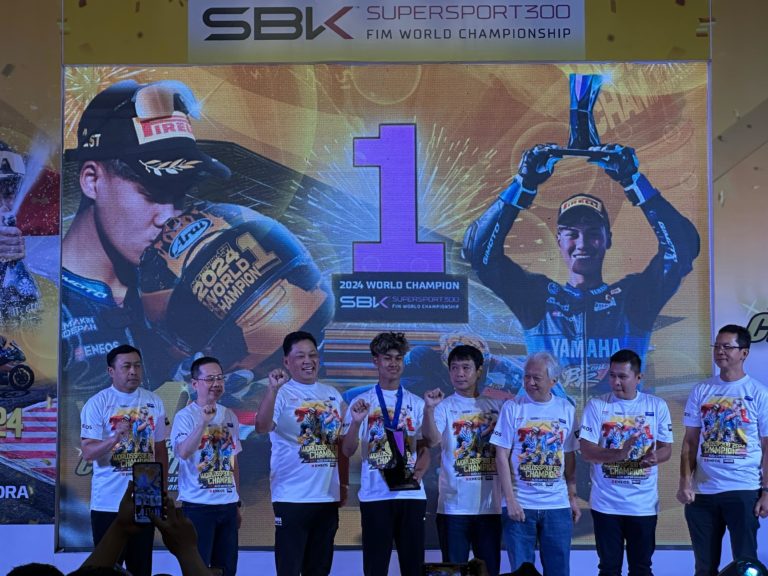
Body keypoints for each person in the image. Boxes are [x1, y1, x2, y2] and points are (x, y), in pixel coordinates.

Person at [462, 143, 700, 400]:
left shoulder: (633, 298)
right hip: (547, 422)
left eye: (593, 233)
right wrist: (523, 184)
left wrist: (634, 181)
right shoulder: (537, 297)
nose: (583, 243)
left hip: (616, 422)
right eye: (572, 234)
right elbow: (479, 254)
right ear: (559, 240)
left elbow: (682, 251)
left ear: (608, 239)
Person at [61, 79, 231, 396]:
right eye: (152, 193)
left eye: (179, 196)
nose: (169, 217)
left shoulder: (184, 292)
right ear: (92, 180)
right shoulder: (34, 298)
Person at [678, 324, 768, 576]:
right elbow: (690, 442)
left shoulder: (758, 393)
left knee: (746, 565)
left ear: (744, 353)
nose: (720, 351)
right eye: (717, 346)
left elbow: (767, 446)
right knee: (704, 567)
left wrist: (766, 491)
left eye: (727, 346)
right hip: (702, 493)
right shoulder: (702, 390)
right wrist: (685, 482)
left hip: (743, 490)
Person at [255, 331, 345, 576]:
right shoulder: (281, 393)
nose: (308, 361)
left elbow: (345, 442)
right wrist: (272, 389)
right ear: (286, 361)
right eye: (300, 356)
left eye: (312, 355)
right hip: (292, 498)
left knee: (319, 570)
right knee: (290, 570)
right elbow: (262, 427)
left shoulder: (332, 394)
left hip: (326, 498)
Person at [342, 332, 430, 576]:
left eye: (398, 358)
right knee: (375, 568)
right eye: (387, 358)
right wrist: (356, 422)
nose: (393, 363)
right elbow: (347, 450)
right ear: (376, 361)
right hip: (375, 496)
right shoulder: (361, 402)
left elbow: (425, 449)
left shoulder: (417, 403)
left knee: (413, 568)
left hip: (411, 496)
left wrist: (418, 474)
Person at [579, 349, 673, 576]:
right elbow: (587, 451)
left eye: (622, 376)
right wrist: (619, 454)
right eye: (612, 375)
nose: (616, 382)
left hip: (643, 505)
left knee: (641, 568)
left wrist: (655, 457)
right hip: (606, 504)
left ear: (638, 377)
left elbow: (666, 449)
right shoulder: (597, 406)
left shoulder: (657, 406)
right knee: (609, 568)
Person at [79, 344, 169, 576]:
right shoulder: (98, 403)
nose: (133, 371)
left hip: (144, 500)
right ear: (111, 371)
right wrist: (115, 438)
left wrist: (161, 491)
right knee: (106, 570)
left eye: (137, 366)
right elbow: (88, 452)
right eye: (126, 366)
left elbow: (160, 451)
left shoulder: (154, 401)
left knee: (141, 569)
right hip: (108, 503)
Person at [490, 352, 579, 576]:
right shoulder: (512, 407)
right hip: (520, 506)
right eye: (526, 377)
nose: (530, 383)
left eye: (536, 378)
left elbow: (569, 456)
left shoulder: (566, 409)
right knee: (521, 572)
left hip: (557, 506)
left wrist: (572, 497)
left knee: (559, 571)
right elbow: (501, 455)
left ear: (553, 381)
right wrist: (510, 501)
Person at [421, 344, 504, 576]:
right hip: (453, 508)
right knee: (453, 571)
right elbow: (432, 440)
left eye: (466, 368)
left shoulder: (497, 406)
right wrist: (429, 410)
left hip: (490, 508)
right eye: (454, 368)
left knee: (488, 571)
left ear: (479, 371)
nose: (459, 373)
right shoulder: (443, 407)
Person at [172, 356, 242, 576]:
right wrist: (203, 422)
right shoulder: (185, 416)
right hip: (198, 507)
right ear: (195, 384)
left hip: (228, 506)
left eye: (220, 378)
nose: (216, 383)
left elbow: (233, 461)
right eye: (210, 379)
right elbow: (183, 452)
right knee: (198, 570)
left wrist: (237, 502)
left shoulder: (229, 415)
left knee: (227, 570)